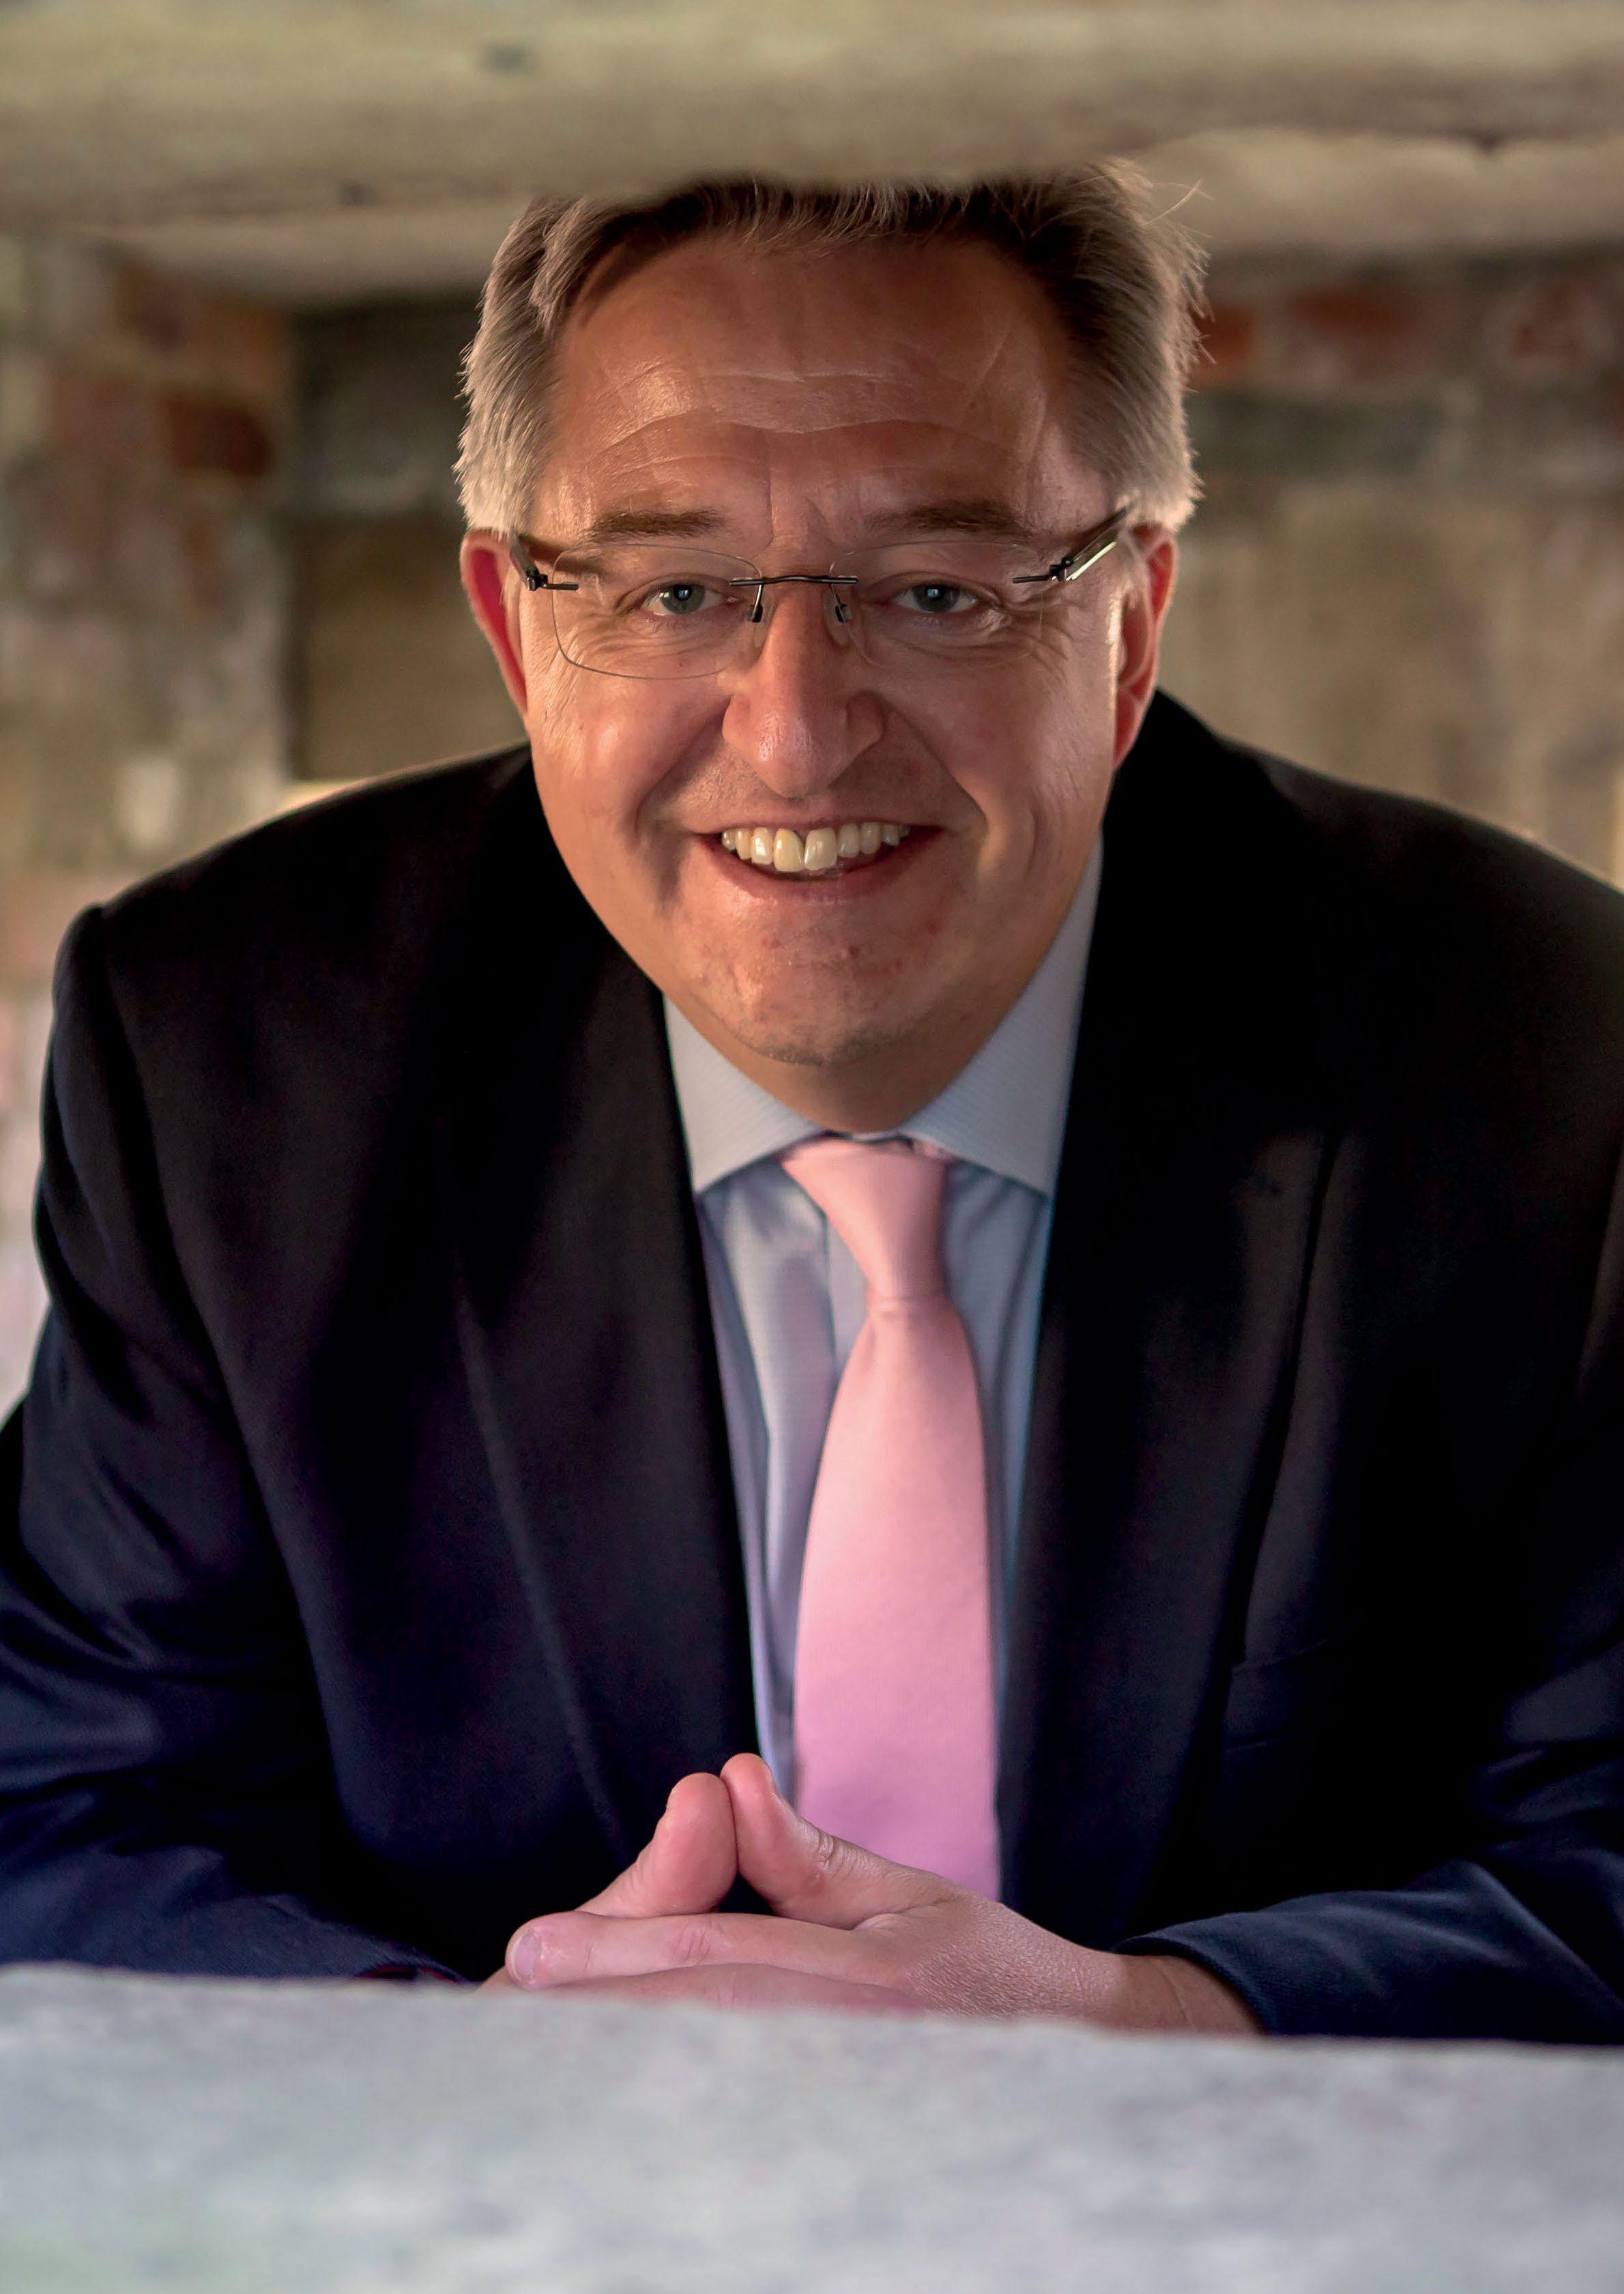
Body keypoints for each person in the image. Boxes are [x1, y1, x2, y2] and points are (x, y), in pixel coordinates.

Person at [1, 171, 1620, 2040]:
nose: (793, 732)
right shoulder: (227, 1052)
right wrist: (471, 2069)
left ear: (1130, 627)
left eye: (933, 592)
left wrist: (1145, 2028)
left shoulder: (1546, 1043)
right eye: (676, 590)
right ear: (518, 635)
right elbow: (62, 1803)